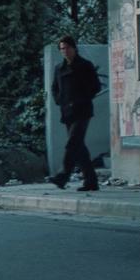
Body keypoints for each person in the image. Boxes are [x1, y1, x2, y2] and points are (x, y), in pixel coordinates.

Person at [48, 36, 101, 191]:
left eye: (67, 48)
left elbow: (95, 87)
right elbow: (54, 88)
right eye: (62, 48)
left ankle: (63, 176)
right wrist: (60, 100)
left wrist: (81, 99)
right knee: (79, 147)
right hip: (67, 112)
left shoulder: (85, 65)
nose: (65, 51)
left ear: (74, 48)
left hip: (82, 110)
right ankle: (91, 181)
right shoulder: (59, 68)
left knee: (72, 143)